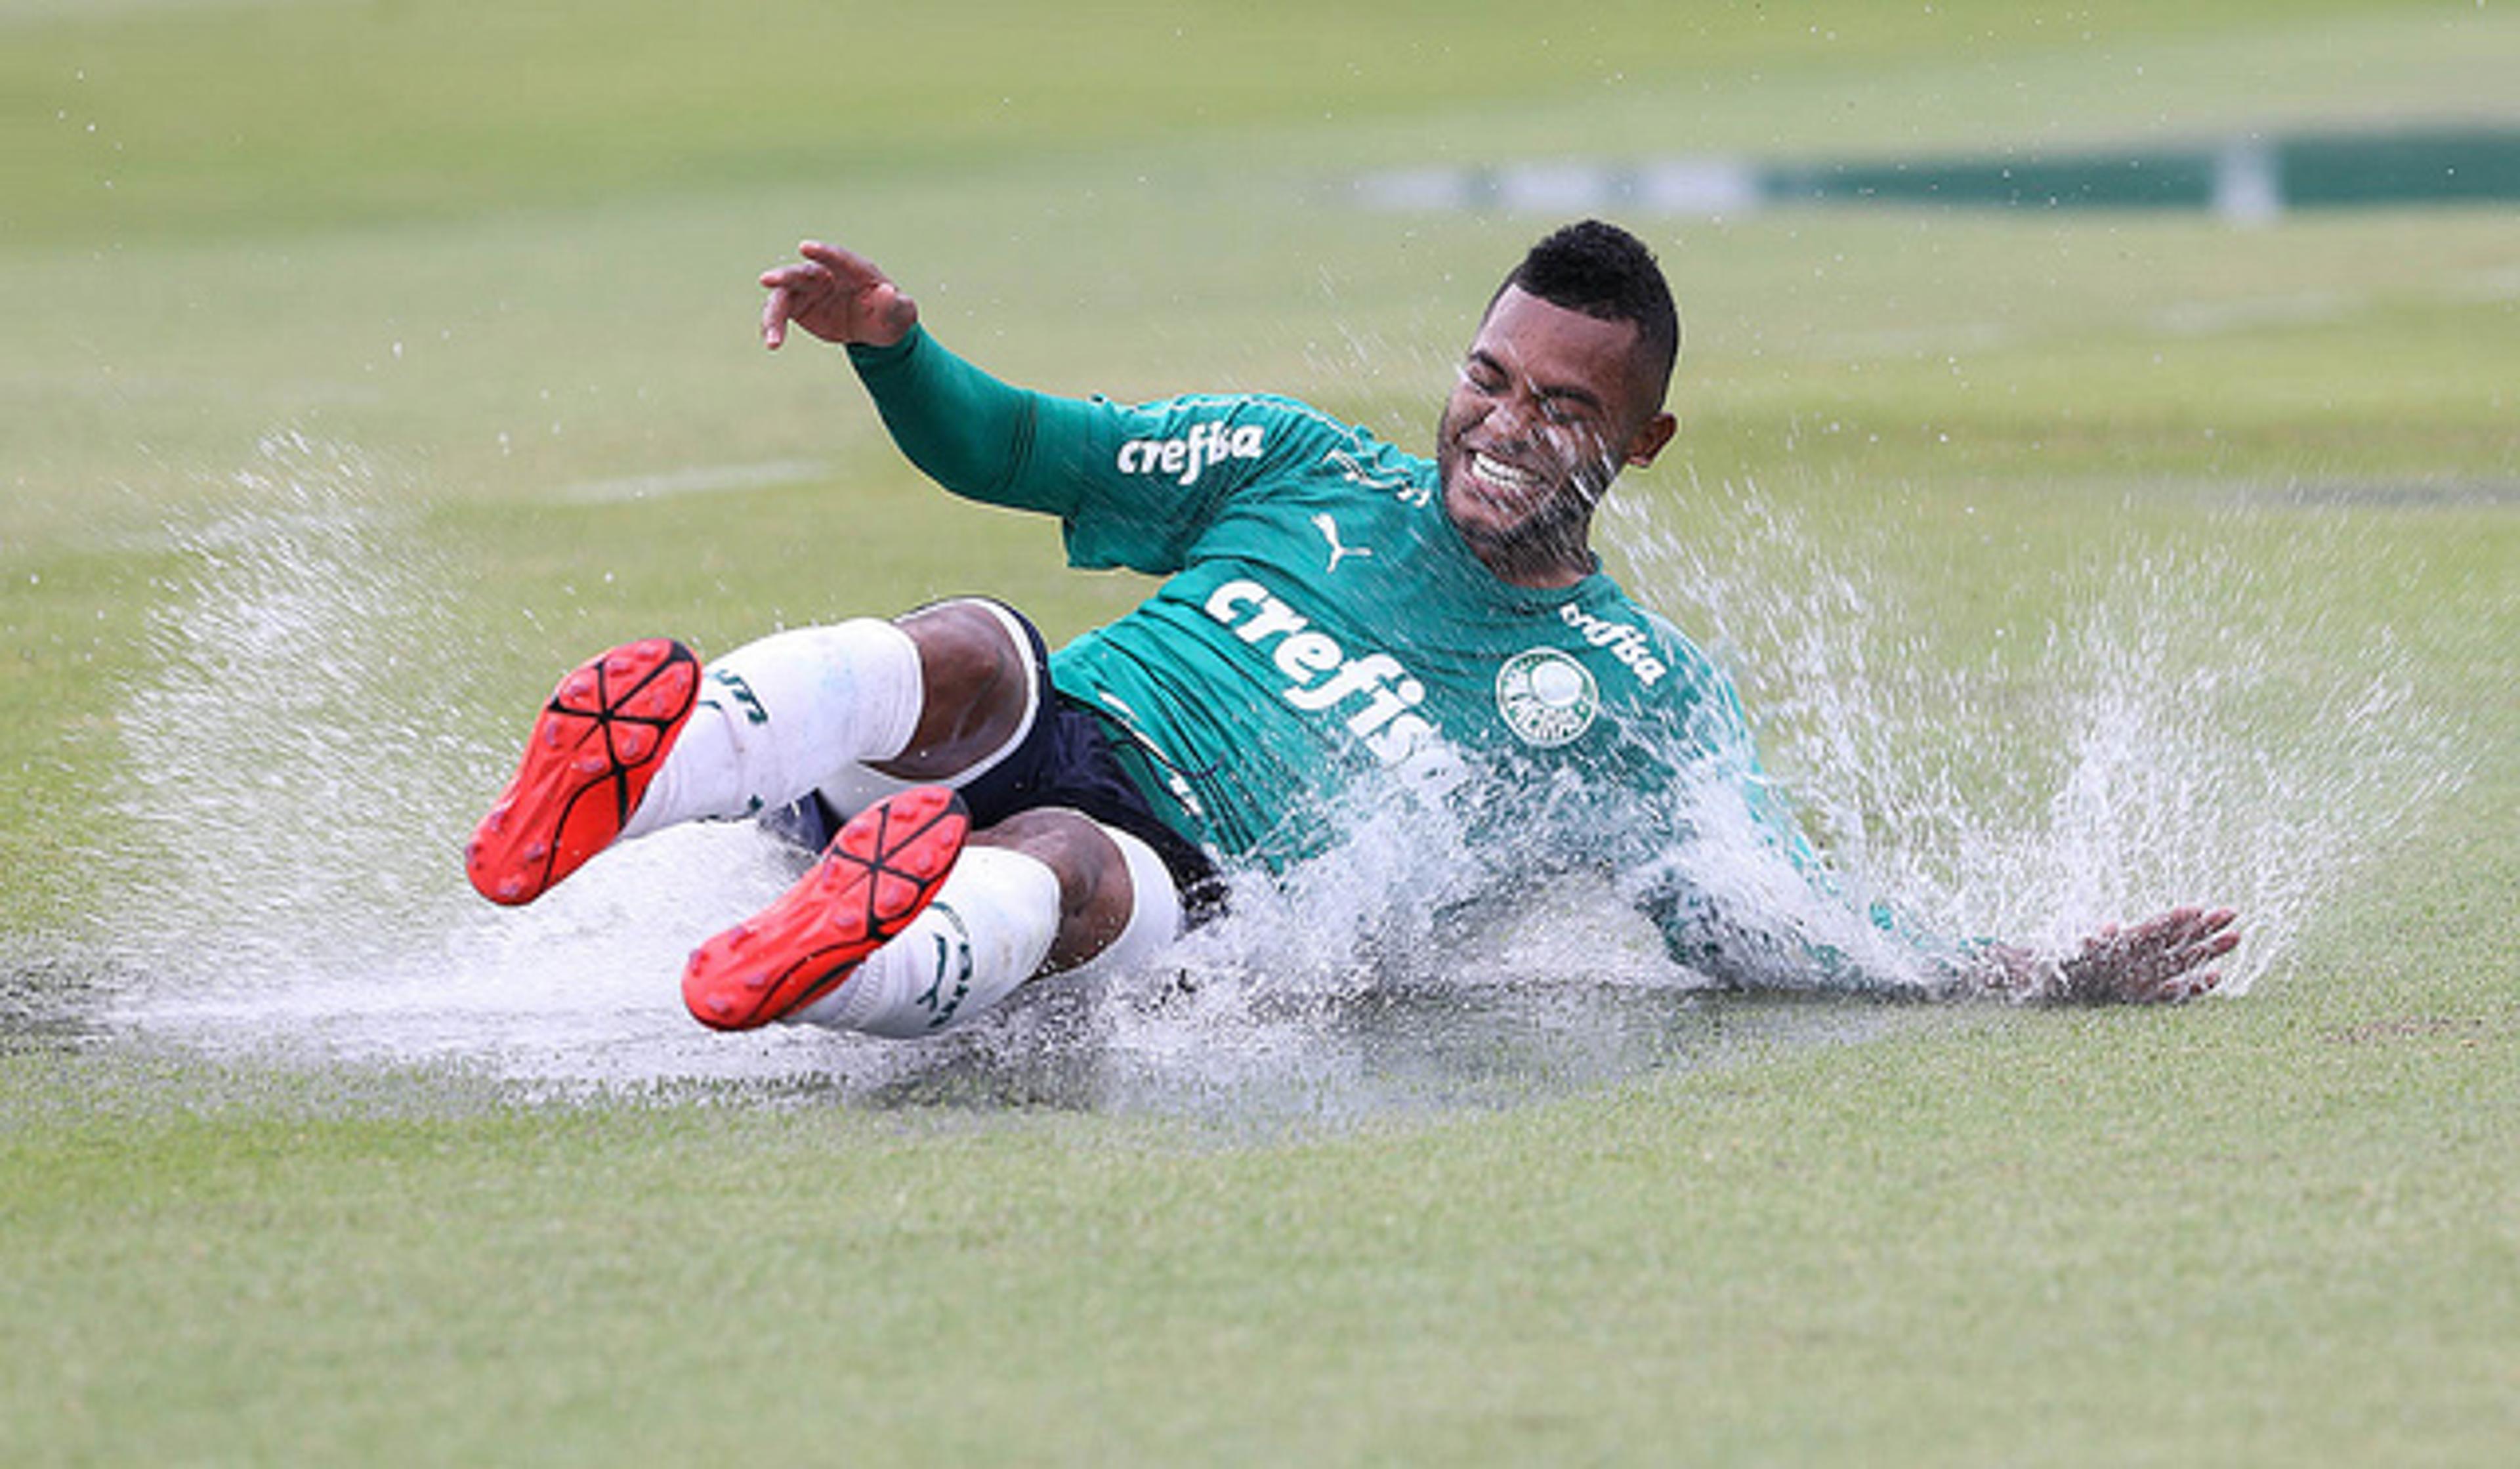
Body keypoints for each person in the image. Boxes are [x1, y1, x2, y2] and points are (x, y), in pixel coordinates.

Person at [465, 221, 2238, 1038]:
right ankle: (646, 768)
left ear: (1640, 445)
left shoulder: (1644, 693)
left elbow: (1755, 908)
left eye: (1563, 406)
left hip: (1203, 892)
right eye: (1488, 376)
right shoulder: (1297, 460)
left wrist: (2008, 972)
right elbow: (1010, 448)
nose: (1502, 422)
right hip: (1037, 732)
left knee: (1077, 865)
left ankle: (822, 966)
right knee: (977, 648)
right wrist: (892, 349)